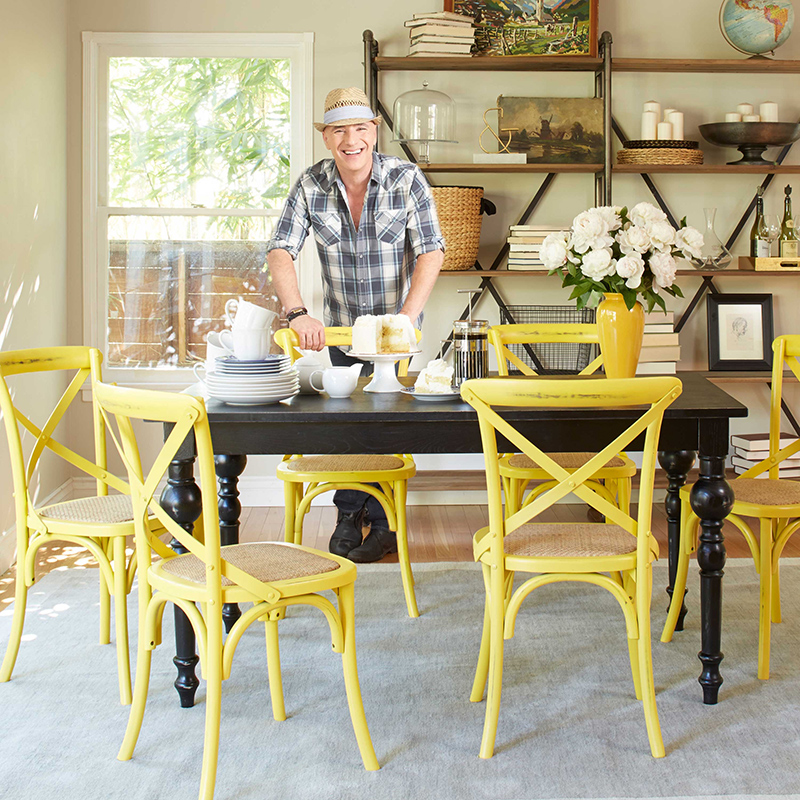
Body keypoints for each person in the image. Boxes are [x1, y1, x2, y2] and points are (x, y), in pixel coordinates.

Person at [266, 86, 445, 563]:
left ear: (374, 132)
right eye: (339, 130)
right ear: (327, 138)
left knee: (385, 421)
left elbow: (431, 250)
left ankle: (381, 522)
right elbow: (281, 248)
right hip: (343, 326)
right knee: (346, 419)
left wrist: (407, 318)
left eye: (360, 129)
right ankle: (352, 514)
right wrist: (297, 312)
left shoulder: (406, 179)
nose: (351, 139)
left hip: (395, 329)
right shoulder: (310, 184)